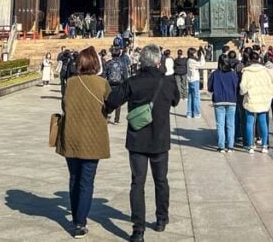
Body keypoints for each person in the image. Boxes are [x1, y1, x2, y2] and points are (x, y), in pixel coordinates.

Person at [105, 44, 180, 242]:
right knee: (161, 180)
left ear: (140, 61)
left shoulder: (133, 82)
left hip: (137, 140)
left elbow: (112, 101)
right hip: (160, 140)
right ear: (158, 62)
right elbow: (176, 101)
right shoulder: (167, 82)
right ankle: (161, 219)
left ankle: (138, 230)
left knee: (137, 183)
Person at [56, 47, 111, 239]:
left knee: (74, 178)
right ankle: (80, 222)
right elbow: (109, 105)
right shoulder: (102, 83)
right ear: (96, 64)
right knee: (86, 181)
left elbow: (64, 105)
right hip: (93, 139)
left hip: (71, 137)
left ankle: (76, 218)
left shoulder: (70, 83)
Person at [239, 49, 273, 154]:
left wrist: (243, 93)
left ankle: (250, 146)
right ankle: (264, 145)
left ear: (249, 59)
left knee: (249, 122)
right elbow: (270, 84)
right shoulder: (265, 71)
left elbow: (243, 87)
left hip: (251, 98)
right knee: (263, 122)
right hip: (263, 99)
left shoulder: (246, 72)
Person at [208, 54, 240, 152]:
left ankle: (221, 146)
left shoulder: (215, 74)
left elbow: (210, 88)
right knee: (230, 124)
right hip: (231, 100)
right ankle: (230, 146)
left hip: (219, 100)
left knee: (220, 124)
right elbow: (237, 86)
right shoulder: (233, 74)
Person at [103, 47, 130, 124]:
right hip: (119, 84)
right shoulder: (122, 64)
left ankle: (106, 114)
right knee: (118, 101)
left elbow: (104, 74)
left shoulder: (108, 63)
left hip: (109, 84)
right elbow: (125, 76)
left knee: (107, 99)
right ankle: (116, 119)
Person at [186, 48, 202, 119]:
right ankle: (196, 113)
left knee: (190, 97)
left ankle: (189, 113)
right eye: (195, 53)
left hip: (190, 80)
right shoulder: (192, 61)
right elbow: (201, 64)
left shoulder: (189, 60)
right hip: (194, 80)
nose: (196, 54)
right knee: (196, 97)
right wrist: (202, 56)